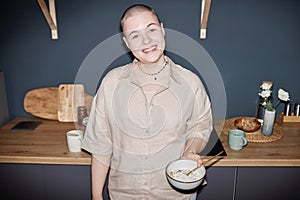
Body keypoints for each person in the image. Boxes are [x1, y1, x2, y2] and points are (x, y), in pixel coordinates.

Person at [82, 4, 213, 200]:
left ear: (162, 29)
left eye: (151, 29)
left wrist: (190, 150)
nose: (147, 40)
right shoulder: (111, 83)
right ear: (127, 43)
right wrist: (96, 196)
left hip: (175, 194)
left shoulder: (190, 82)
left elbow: (200, 127)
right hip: (123, 194)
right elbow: (101, 145)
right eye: (135, 35)